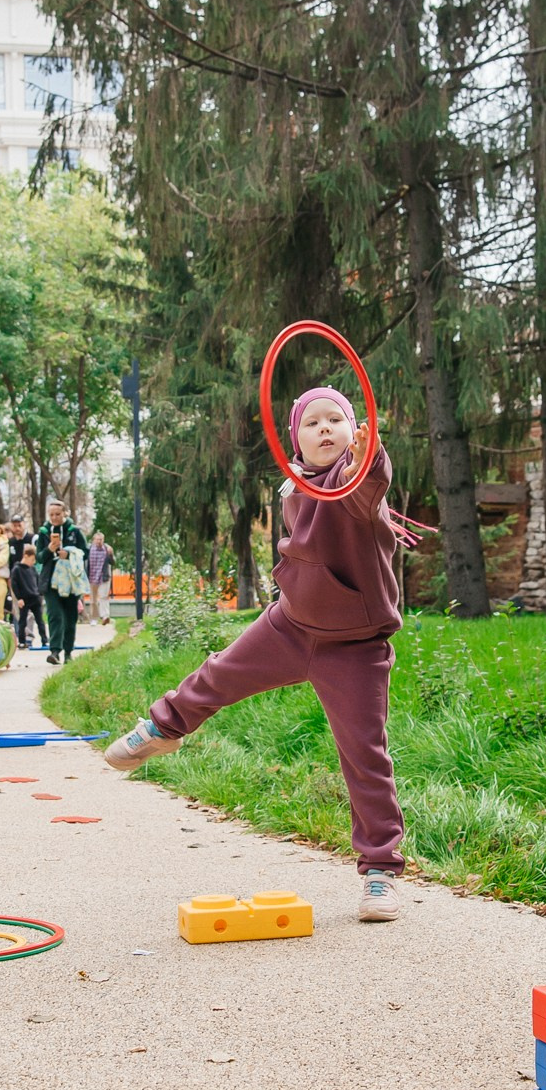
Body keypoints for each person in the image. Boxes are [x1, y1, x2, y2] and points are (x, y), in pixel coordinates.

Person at [103, 387, 406, 922]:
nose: (326, 429)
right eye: (313, 422)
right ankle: (162, 730)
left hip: (353, 647)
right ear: (295, 438)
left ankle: (379, 870)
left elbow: (365, 488)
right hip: (289, 625)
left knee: (365, 755)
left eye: (337, 419)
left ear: (355, 431)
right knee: (217, 673)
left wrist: (368, 460)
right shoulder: (295, 486)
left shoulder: (353, 484)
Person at [43, 531, 91, 664]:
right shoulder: (44, 532)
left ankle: (68, 652)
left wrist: (69, 555)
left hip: (71, 582)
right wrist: (49, 550)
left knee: (70, 618)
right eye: (52, 514)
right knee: (55, 615)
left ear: (63, 513)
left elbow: (85, 553)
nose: (54, 517)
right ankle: (55, 651)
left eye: (57, 514)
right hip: (50, 583)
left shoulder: (74, 532)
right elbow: (39, 557)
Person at [8, 543, 46, 654]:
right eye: (32, 559)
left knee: (40, 621)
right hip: (24, 599)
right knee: (22, 621)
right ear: (26, 556)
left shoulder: (33, 569)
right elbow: (14, 585)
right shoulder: (17, 569)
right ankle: (22, 641)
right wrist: (19, 598)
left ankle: (44, 640)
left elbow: (37, 581)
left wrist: (39, 594)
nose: (33, 562)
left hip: (35, 598)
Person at [86, 531, 115, 625]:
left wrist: (111, 554)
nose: (99, 541)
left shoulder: (107, 549)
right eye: (97, 539)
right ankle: (94, 618)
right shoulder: (89, 548)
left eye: (101, 540)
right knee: (93, 599)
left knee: (104, 597)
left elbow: (113, 563)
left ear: (103, 540)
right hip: (92, 577)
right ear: (94, 540)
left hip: (104, 577)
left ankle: (105, 616)